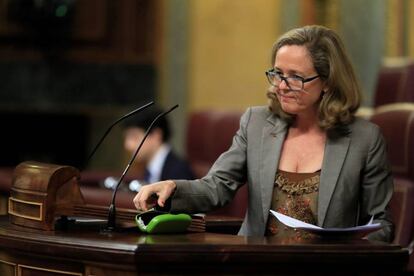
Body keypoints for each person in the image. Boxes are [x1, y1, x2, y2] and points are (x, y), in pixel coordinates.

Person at [133, 25, 394, 242]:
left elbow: (382, 223)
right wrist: (172, 188)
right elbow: (217, 187)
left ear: (327, 82)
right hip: (257, 264)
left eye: (296, 77)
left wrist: (354, 256)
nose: (282, 86)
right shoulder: (256, 123)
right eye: (278, 73)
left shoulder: (365, 139)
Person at [104, 106, 195, 192]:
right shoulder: (150, 169)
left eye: (134, 136)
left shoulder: (179, 171)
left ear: (156, 135)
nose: (128, 145)